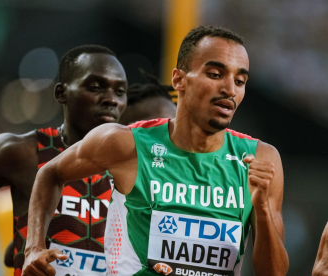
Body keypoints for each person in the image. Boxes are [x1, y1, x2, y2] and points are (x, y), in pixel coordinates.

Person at [22, 26, 289, 276]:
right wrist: (33, 247)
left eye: (240, 80)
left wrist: (262, 209)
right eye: (215, 75)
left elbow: (274, 272)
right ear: (179, 79)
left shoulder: (261, 159)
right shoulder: (125, 144)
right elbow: (50, 173)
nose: (230, 89)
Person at [0, 44, 128, 276]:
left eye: (120, 91)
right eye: (96, 87)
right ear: (61, 93)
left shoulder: (135, 162)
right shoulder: (21, 153)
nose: (111, 99)